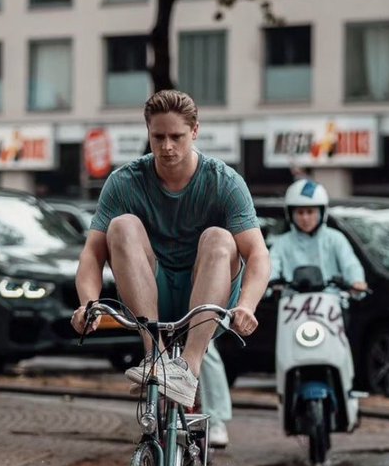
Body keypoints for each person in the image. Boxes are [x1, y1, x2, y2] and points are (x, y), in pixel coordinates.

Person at [71, 89, 270, 406]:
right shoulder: (124, 181)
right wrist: (88, 303)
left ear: (195, 131)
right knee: (121, 225)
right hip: (148, 291)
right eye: (158, 136)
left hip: (209, 293)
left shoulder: (225, 182)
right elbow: (92, 254)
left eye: (176, 136)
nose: (166, 147)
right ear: (147, 132)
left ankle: (187, 370)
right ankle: (155, 358)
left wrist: (247, 305)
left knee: (220, 236)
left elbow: (257, 254)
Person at [270, 179, 368, 291]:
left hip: (331, 301)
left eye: (310, 212)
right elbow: (270, 266)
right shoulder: (282, 243)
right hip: (290, 302)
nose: (305, 218)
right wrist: (267, 281)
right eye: (300, 212)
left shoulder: (335, 238)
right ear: (290, 214)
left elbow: (350, 264)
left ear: (322, 213)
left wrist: (356, 281)